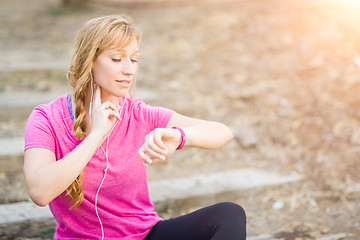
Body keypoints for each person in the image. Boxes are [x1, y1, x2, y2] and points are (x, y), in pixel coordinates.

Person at [23, 15, 246, 240]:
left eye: (134, 59)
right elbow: (40, 192)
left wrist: (178, 136)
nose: (129, 70)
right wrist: (96, 135)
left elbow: (222, 132)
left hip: (143, 235)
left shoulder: (138, 114)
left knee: (229, 214)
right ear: (90, 60)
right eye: (117, 59)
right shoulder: (47, 118)